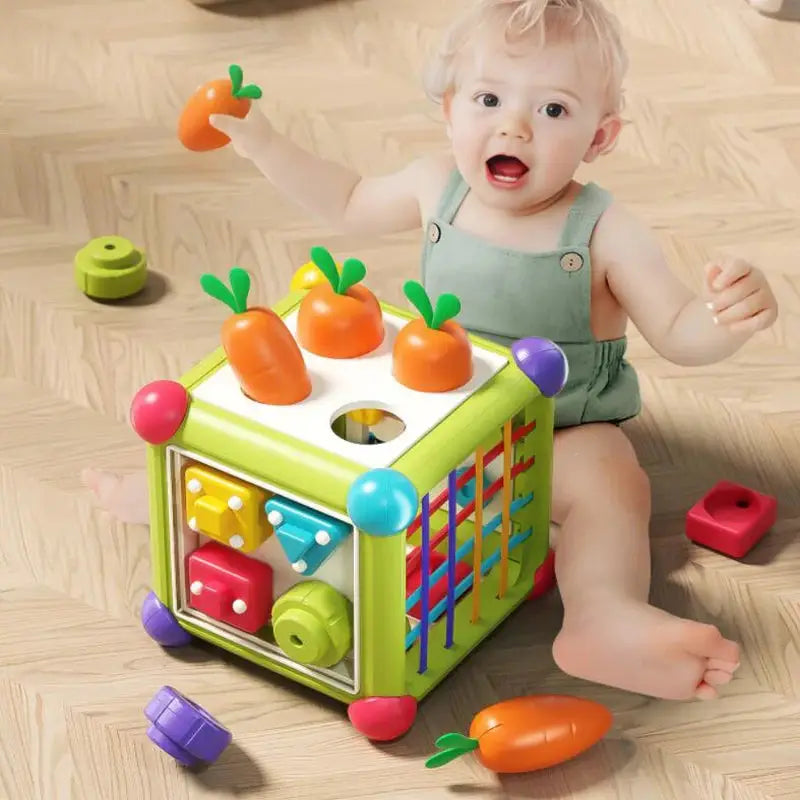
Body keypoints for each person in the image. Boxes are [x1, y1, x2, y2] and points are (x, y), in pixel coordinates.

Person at [84, 0, 779, 701]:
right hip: (434, 413)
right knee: (326, 439)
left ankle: (602, 616)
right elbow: (346, 201)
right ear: (448, 111)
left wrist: (727, 318)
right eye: (489, 99)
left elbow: (679, 329)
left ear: (600, 138)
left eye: (554, 111)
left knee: (613, 483)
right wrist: (263, 142)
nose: (514, 125)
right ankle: (177, 494)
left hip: (558, 429)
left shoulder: (604, 230)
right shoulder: (431, 185)